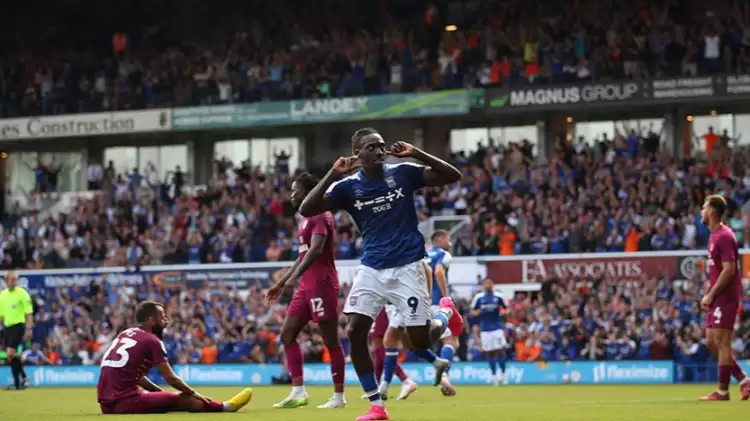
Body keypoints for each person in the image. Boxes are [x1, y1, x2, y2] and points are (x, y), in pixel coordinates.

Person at [299, 128, 462, 421]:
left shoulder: (402, 173)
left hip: (408, 268)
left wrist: (416, 153)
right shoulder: (347, 187)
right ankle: (376, 406)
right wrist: (332, 174)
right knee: (354, 331)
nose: (378, 151)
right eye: (371, 147)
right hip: (372, 267)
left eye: (381, 146)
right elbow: (306, 207)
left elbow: (453, 176)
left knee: (419, 343)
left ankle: (446, 314)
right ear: (358, 154)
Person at [266, 172, 347, 409]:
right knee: (287, 334)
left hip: (322, 284)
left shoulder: (321, 214)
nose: (291, 195)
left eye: (295, 191)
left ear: (308, 192)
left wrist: (293, 278)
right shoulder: (303, 219)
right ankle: (298, 392)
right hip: (306, 286)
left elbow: (316, 249)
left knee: (330, 341)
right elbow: (303, 254)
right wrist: (282, 282)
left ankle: (339, 396)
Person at [97, 301, 253, 414]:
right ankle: (224, 407)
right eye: (162, 316)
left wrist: (157, 392)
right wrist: (193, 393)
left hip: (106, 404)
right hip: (125, 402)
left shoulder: (126, 333)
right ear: (152, 320)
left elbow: (135, 376)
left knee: (167, 400)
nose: (166, 320)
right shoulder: (152, 340)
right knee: (185, 399)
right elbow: (171, 378)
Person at [698, 195, 750, 401]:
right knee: (712, 342)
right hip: (717, 296)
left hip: (726, 296)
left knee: (722, 341)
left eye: (704, 207)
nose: (701, 211)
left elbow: (729, 270)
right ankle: (744, 380)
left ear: (711, 211)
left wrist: (711, 293)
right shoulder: (714, 236)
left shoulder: (724, 236)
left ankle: (722, 391)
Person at [426, 230, 463, 396]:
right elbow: (439, 272)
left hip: (422, 303)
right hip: (438, 304)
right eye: (448, 238)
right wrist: (446, 297)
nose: (450, 242)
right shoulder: (443, 254)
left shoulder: (422, 254)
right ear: (439, 240)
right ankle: (445, 377)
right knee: (452, 341)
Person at [367, 309, 418, 401]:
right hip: (381, 306)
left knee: (380, 342)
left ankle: (405, 380)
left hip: (384, 306)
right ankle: (376, 387)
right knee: (379, 346)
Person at [471, 278, 508, 386]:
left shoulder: (498, 296)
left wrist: (504, 313)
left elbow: (506, 309)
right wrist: (476, 312)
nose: (488, 285)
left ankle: (504, 374)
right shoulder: (479, 297)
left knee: (500, 351)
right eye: (486, 283)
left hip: (497, 328)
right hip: (485, 329)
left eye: (490, 283)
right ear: (483, 285)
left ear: (493, 285)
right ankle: (494, 376)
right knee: (490, 353)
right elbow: (472, 311)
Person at [0, 271, 33, 390]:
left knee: (10, 352)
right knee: (10, 357)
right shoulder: (2, 295)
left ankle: (23, 377)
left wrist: (29, 329)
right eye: (12, 279)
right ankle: (19, 383)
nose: (14, 281)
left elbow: (28, 312)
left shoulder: (22, 293)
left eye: (16, 279)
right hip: (7, 327)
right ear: (6, 281)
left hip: (18, 326)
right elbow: (1, 315)